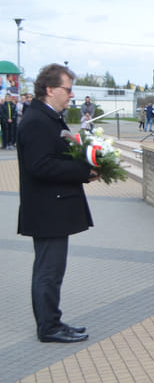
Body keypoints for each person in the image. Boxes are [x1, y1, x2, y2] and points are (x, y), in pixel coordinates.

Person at [17, 63, 98, 343]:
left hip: (52, 208)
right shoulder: (38, 120)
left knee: (52, 271)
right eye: (67, 88)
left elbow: (57, 155)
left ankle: (53, 321)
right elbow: (39, 166)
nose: (71, 94)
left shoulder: (49, 117)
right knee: (48, 272)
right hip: (47, 210)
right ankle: (48, 328)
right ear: (50, 89)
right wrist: (82, 172)